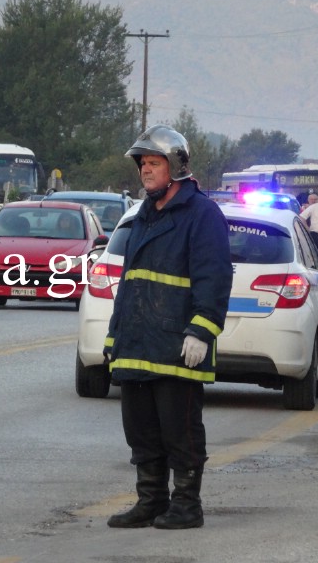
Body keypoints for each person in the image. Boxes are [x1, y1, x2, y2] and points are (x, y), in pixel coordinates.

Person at [104, 125, 232, 530]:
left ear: (175, 166)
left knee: (181, 431)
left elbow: (214, 277)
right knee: (140, 431)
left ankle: (187, 505)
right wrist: (114, 337)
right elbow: (130, 282)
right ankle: (151, 501)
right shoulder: (143, 214)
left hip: (177, 345)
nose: (145, 170)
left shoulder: (202, 214)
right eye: (142, 163)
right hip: (137, 343)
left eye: (153, 163)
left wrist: (202, 330)